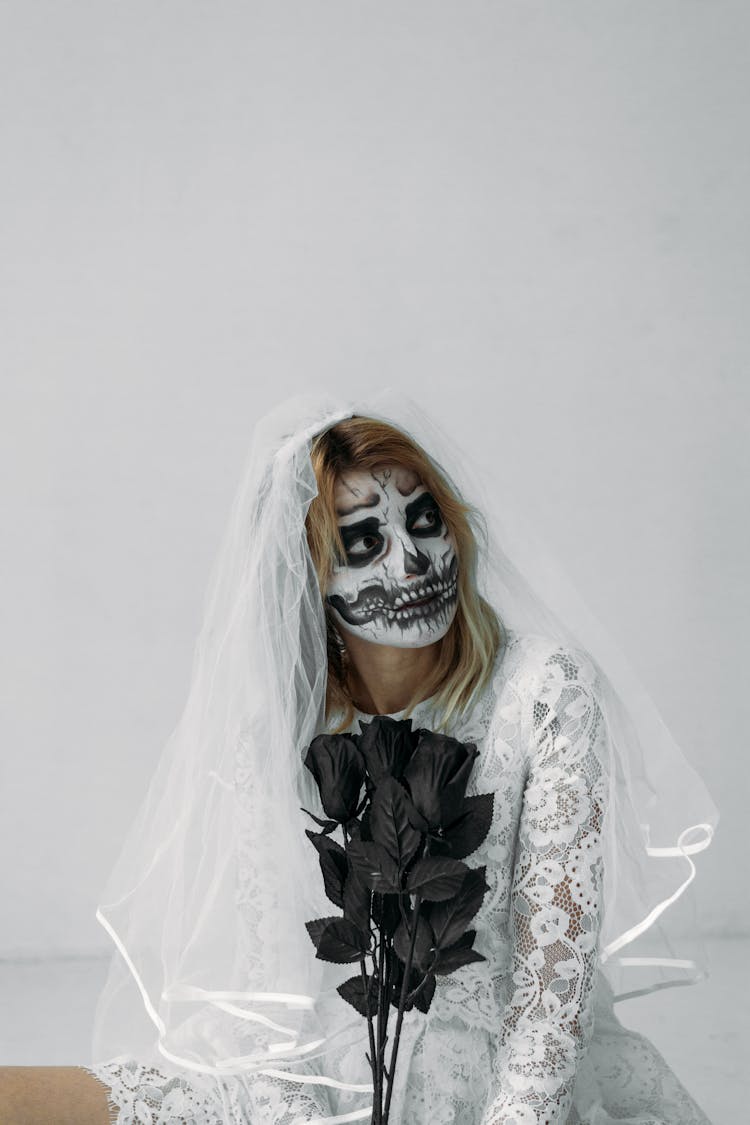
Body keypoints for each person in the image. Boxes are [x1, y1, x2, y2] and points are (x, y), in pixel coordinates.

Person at [1, 390, 718, 1124]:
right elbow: (266, 1014)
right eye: (363, 542)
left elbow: (548, 1016)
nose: (412, 560)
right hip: (319, 1084)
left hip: (496, 1093)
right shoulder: (274, 729)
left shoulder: (545, 693)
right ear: (310, 573)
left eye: (423, 520)